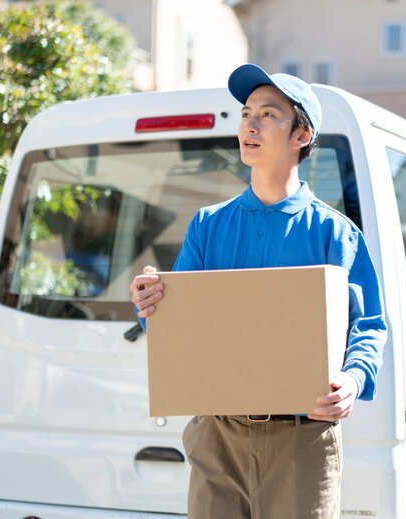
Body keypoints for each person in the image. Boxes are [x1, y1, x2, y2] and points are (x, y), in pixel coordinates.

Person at [129, 63, 386, 519]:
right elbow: (176, 321)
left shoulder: (335, 233)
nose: (249, 123)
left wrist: (353, 379)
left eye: (268, 114)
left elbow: (368, 327)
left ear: (301, 135)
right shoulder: (208, 226)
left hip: (303, 441)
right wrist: (149, 302)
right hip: (217, 438)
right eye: (247, 112)